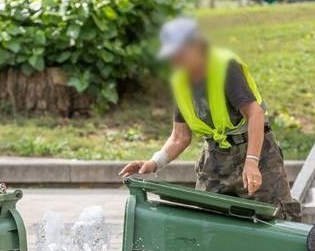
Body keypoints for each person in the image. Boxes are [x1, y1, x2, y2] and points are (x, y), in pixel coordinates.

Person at [120, 17, 301, 221]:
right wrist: (154, 162)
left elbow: (255, 113)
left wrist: (252, 163)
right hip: (215, 159)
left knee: (276, 219)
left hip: (255, 151)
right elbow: (180, 136)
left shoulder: (225, 66)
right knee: (207, 224)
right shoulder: (180, 81)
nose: (176, 61)